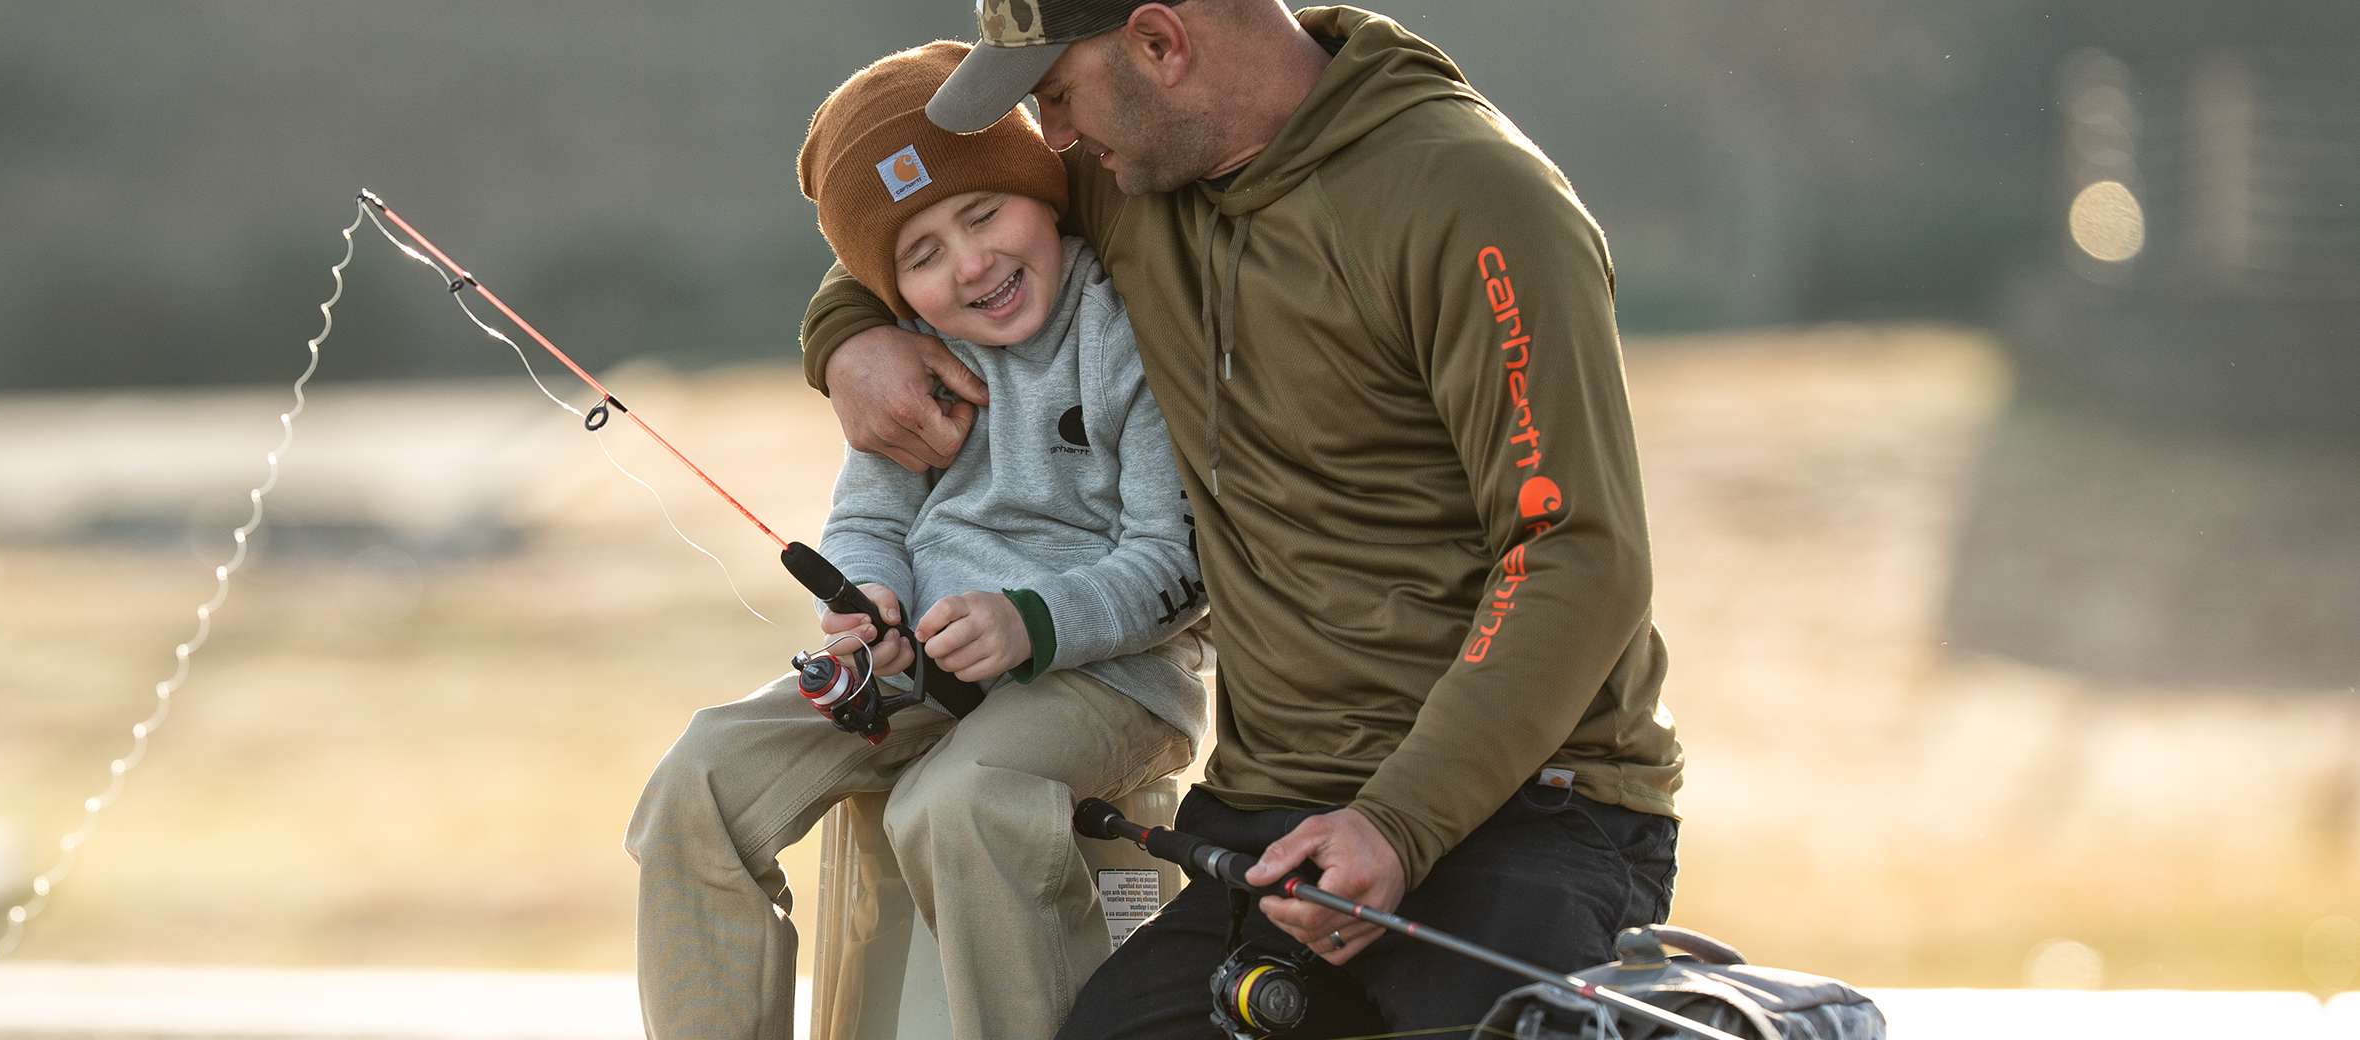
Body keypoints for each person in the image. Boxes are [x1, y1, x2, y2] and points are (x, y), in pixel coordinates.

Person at [797, 2, 1686, 1033]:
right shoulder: (1130, 171)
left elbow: (1576, 554)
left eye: (1055, 97)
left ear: (1161, 44)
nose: (1054, 141)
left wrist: (1398, 822)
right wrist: (849, 337)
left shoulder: (1478, 198)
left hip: (1529, 811)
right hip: (1270, 819)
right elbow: (908, 203)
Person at [625, 40, 1212, 1040]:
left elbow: (1178, 567)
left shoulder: (1132, 331)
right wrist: (867, 598)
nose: (970, 264)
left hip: (1112, 683)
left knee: (955, 806)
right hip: (924, 676)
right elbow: (870, 518)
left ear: (1043, 190)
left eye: (983, 214)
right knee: (699, 778)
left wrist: (1031, 621)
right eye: (922, 255)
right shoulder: (910, 359)